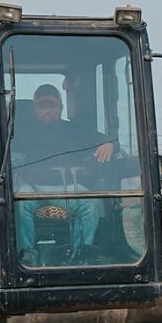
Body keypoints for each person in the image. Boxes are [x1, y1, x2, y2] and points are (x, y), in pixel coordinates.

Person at [12, 84, 112, 265]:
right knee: (18, 204)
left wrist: (109, 145)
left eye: (52, 106)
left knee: (90, 203)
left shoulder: (75, 129)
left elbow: (109, 140)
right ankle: (28, 255)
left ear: (60, 107)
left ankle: (79, 255)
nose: (47, 111)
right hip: (33, 189)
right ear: (34, 108)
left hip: (69, 188)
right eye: (42, 106)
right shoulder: (21, 132)